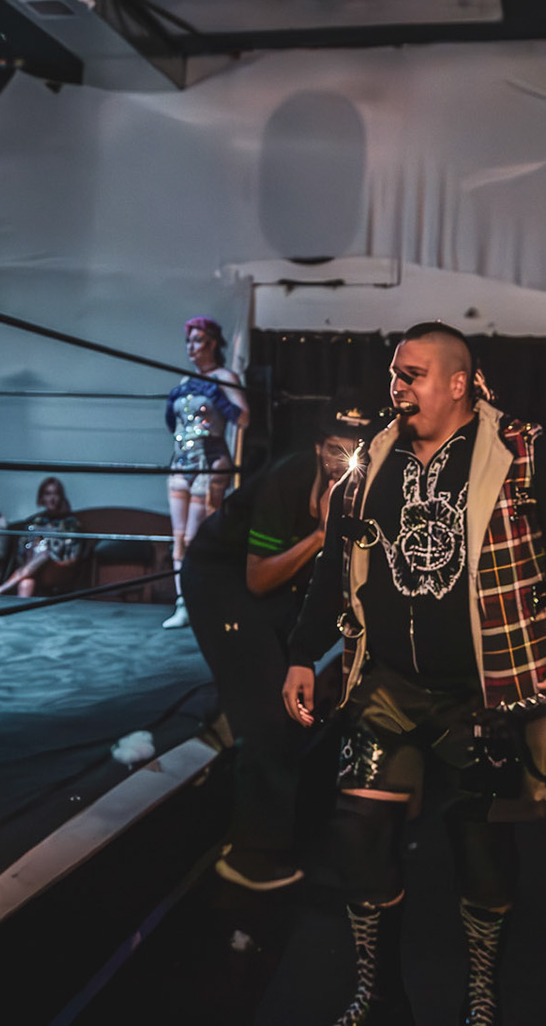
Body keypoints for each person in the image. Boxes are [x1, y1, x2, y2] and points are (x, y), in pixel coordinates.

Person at [281, 322, 546, 1026]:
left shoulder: (522, 453)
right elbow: (336, 565)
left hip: (488, 692)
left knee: (483, 847)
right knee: (358, 830)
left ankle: (481, 998)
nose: (397, 387)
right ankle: (379, 997)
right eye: (394, 374)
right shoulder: (373, 458)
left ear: (458, 382)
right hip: (387, 684)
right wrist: (300, 652)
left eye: (412, 375)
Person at [186, 394, 374, 892]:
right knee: (272, 711)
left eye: (356, 452)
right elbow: (257, 580)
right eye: (335, 450)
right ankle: (250, 854)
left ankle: (232, 721)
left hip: (285, 586)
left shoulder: (371, 485)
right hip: (224, 577)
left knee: (292, 688)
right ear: (318, 448)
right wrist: (320, 535)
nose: (344, 462)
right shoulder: (287, 480)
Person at [162, 315, 248, 630]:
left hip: (209, 460)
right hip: (181, 460)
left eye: (197, 340)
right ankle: (182, 603)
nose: (191, 347)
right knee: (178, 536)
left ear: (212, 344)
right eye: (189, 341)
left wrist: (219, 398)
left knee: (196, 534)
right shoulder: (186, 381)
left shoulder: (225, 377)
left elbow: (244, 418)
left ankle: (202, 601)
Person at [0, 477, 86, 597]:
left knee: (44, 552)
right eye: (48, 494)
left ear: (61, 497)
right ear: (41, 498)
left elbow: (73, 557)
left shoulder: (71, 523)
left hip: (57, 568)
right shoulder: (35, 522)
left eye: (56, 493)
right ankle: (19, 606)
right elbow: (21, 552)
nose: (52, 498)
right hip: (32, 567)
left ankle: (5, 586)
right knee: (26, 583)